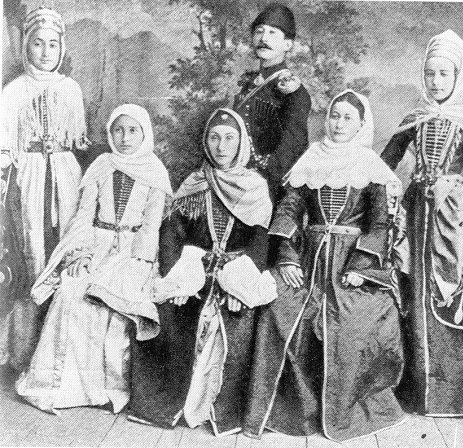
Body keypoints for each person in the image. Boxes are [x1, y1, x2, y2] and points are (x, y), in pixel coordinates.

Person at [243, 90, 405, 442]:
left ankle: (344, 409)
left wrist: (361, 266)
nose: (339, 124)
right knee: (278, 309)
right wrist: (286, 256)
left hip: (351, 263)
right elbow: (288, 210)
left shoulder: (370, 165)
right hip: (309, 260)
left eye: (347, 118)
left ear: (360, 125)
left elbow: (380, 224)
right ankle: (296, 409)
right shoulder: (311, 158)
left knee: (353, 322)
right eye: (334, 116)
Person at [128, 108, 276, 436]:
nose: (221, 146)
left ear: (241, 143)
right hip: (194, 273)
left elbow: (260, 243)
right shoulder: (194, 183)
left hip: (237, 273)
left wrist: (242, 287)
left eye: (229, 138)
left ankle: (220, 409)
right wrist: (176, 281)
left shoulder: (255, 186)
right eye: (214, 138)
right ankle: (171, 404)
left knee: (241, 320)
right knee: (167, 313)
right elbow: (172, 236)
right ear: (205, 142)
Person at [15, 104, 172, 414]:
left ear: (144, 133)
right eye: (118, 130)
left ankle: (107, 390)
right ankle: (60, 387)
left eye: (132, 131)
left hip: (133, 252)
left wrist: (139, 264)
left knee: (113, 303)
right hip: (96, 245)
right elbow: (84, 217)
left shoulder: (155, 171)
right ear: (110, 134)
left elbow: (151, 226)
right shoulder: (101, 165)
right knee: (70, 292)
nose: (125, 138)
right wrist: (81, 254)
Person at [381, 30, 463, 417]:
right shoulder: (414, 119)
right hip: (416, 215)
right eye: (429, 74)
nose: (435, 81)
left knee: (452, 297)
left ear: (458, 75)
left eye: (444, 74)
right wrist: (386, 194)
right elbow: (384, 164)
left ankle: (455, 396)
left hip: (456, 219)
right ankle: (416, 392)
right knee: (415, 295)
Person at [0, 7, 89, 371]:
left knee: (64, 246)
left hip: (65, 174)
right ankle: (26, 355)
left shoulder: (71, 88)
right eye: (38, 44)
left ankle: (61, 357)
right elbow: (5, 143)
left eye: (53, 44)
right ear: (26, 46)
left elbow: (78, 138)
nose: (45, 52)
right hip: (30, 174)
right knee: (32, 250)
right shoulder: (14, 90)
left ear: (61, 48)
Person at [234, 3, 311, 200]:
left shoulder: (294, 92)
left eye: (272, 33)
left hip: (269, 187)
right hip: (237, 178)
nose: (263, 39)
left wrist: (262, 178)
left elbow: (293, 146)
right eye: (259, 31)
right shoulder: (248, 85)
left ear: (288, 45)